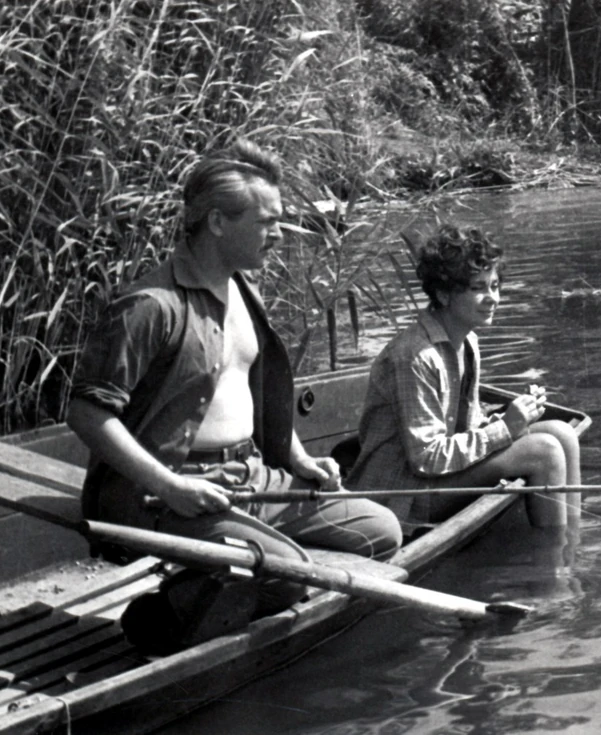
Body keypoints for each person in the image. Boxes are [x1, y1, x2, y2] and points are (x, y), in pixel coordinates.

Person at [66, 140, 402, 647]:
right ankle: (169, 615)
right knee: (291, 576)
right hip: (166, 492)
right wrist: (173, 486)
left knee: (382, 533)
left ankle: (224, 574)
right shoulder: (149, 306)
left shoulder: (244, 291)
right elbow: (86, 412)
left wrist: (299, 457)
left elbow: (248, 390)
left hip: (248, 477)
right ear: (218, 222)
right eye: (267, 222)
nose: (278, 234)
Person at [347, 223, 581, 531]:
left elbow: (466, 428)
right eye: (478, 288)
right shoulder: (414, 356)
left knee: (562, 434)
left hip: (438, 478)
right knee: (544, 453)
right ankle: (557, 570)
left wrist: (518, 417)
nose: (492, 298)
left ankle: (571, 548)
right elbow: (427, 458)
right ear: (443, 294)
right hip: (402, 495)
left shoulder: (466, 341)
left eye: (495, 286)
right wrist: (505, 429)